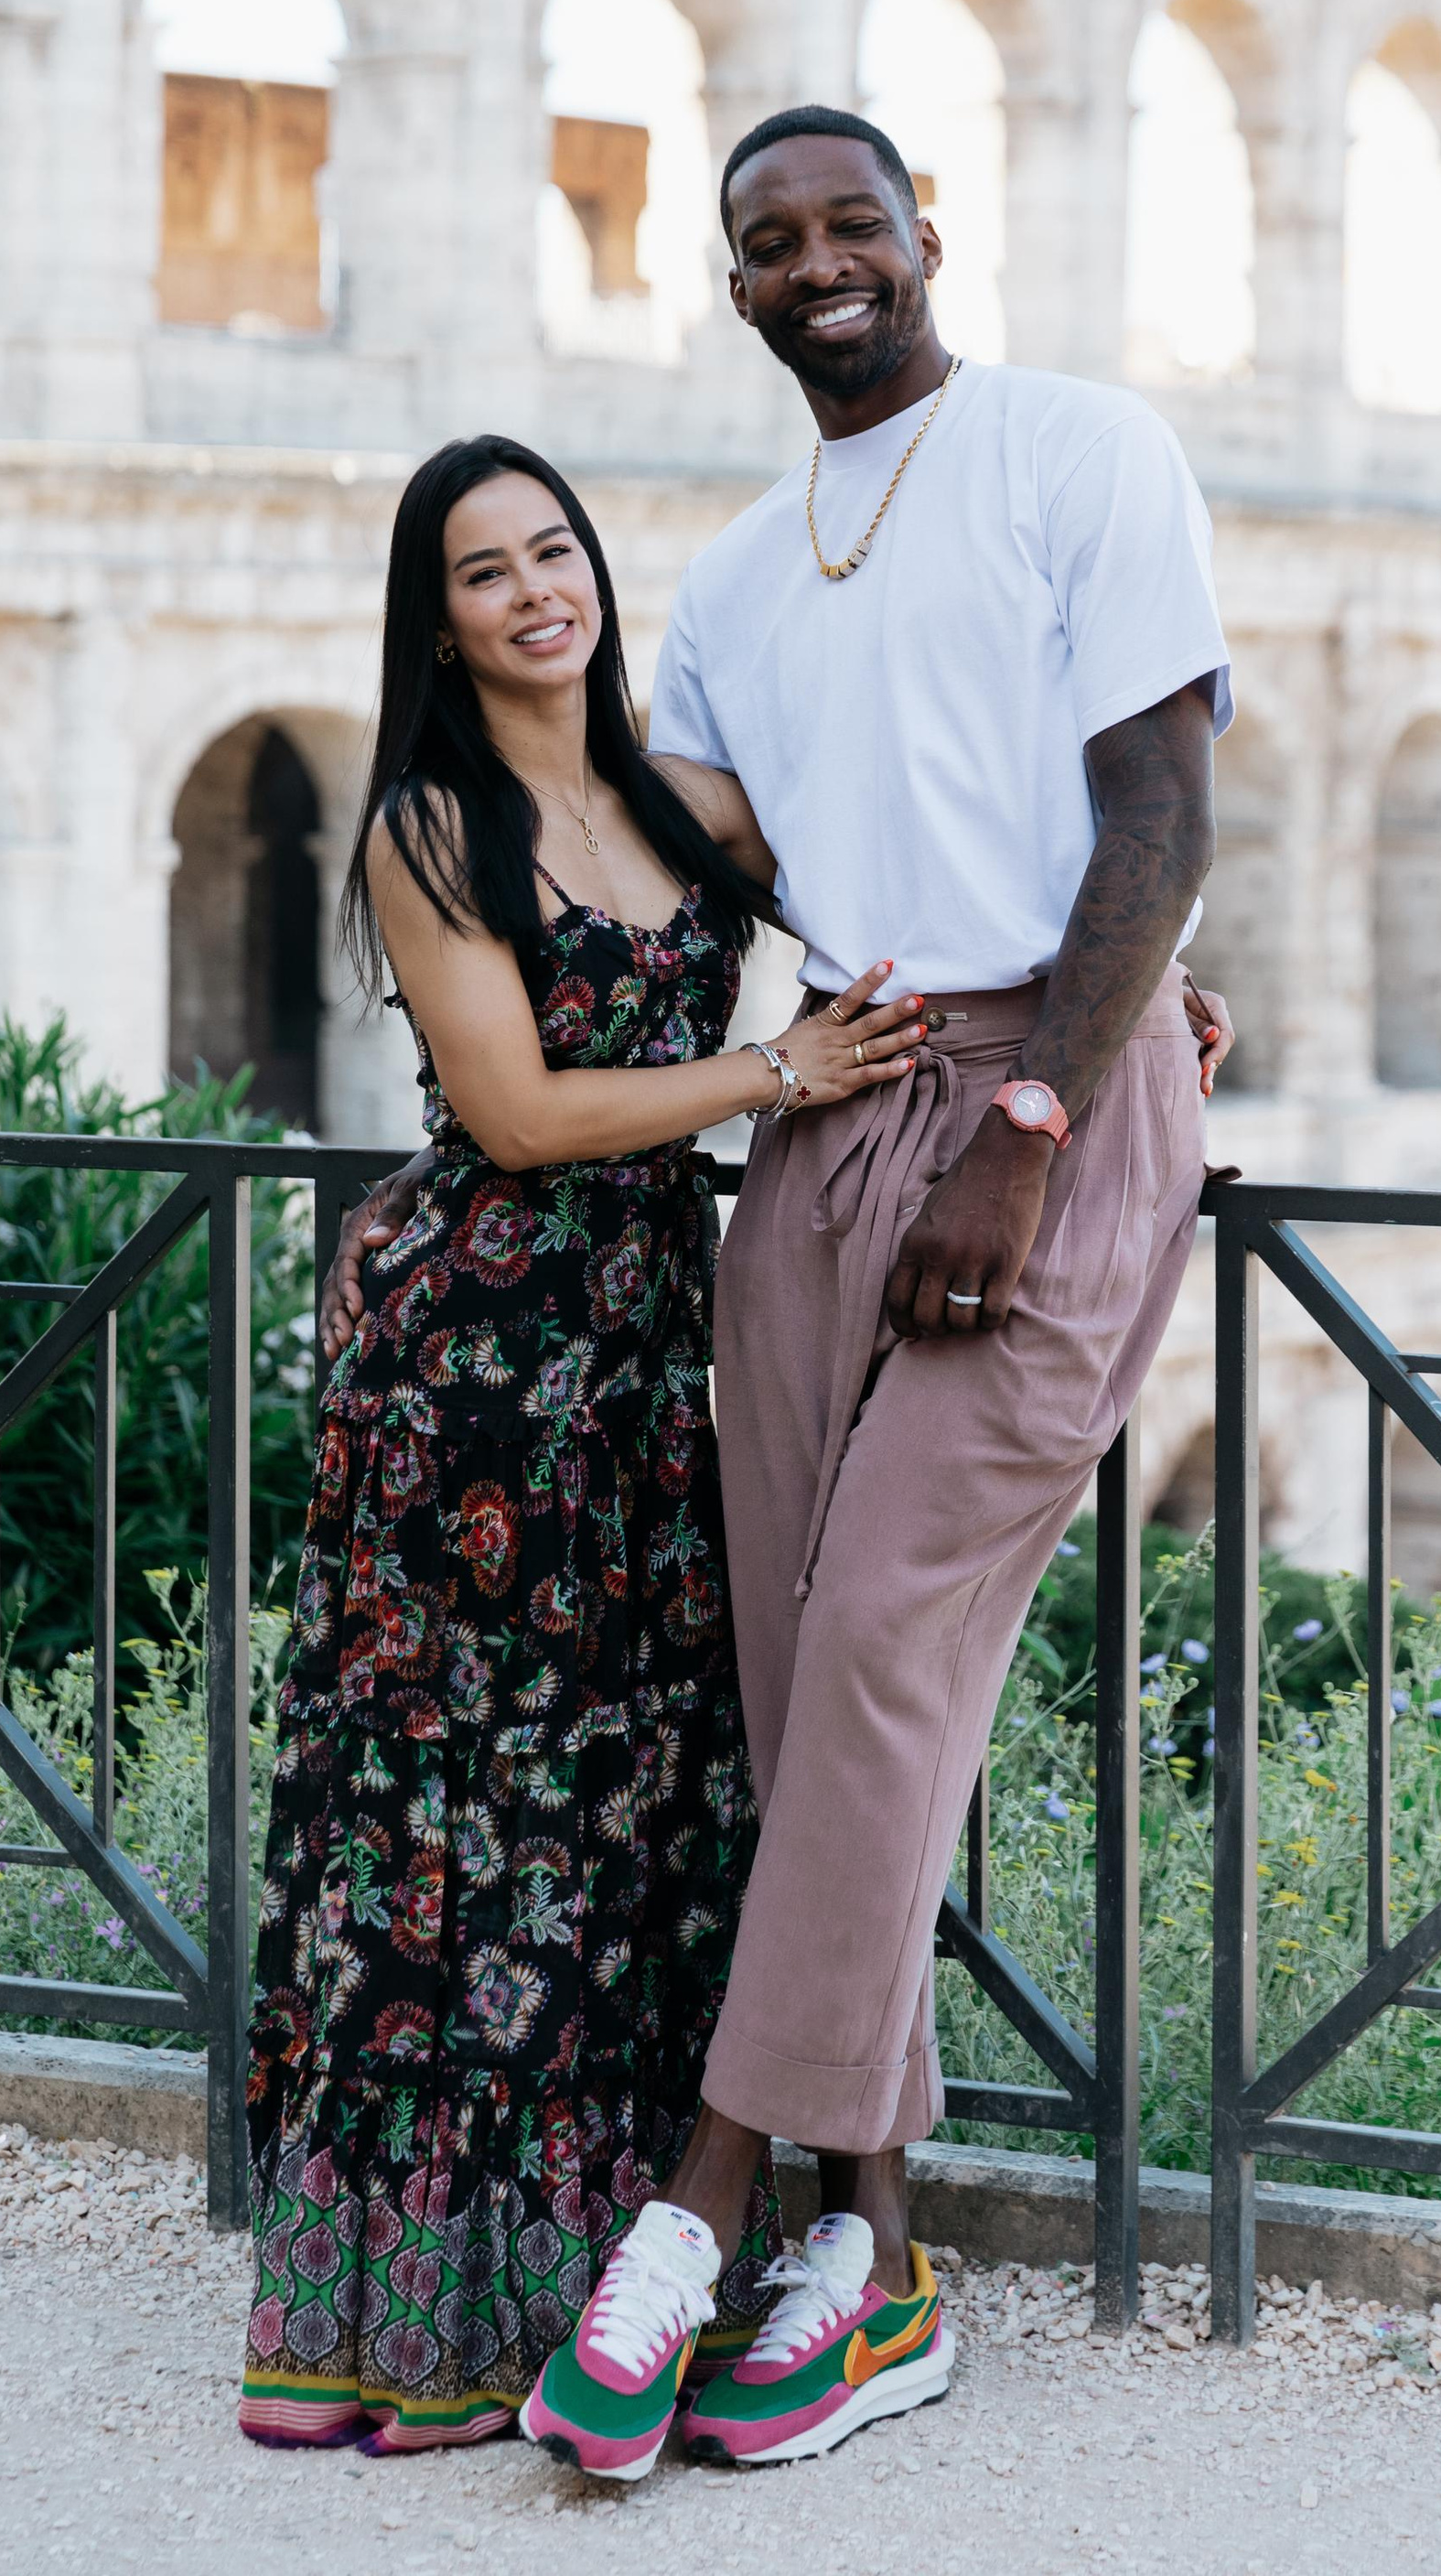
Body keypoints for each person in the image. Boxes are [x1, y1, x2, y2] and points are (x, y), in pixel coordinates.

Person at [326, 124, 1234, 2484]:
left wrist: (1066, 1098)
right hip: (831, 1115)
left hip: (1035, 1102)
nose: (813, 266)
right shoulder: (725, 575)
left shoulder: (1074, 450)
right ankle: (881, 2255)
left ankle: (690, 2223)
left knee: (871, 1654)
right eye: (766, 243)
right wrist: (463, 1062)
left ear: (930, 226)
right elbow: (640, 840)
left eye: (849, 224)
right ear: (727, 286)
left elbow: (1157, 811)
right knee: (787, 1673)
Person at [241, 430, 928, 2456]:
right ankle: (426, 2294)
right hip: (470, 1360)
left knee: (632, 1788)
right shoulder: (426, 824)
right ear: (433, 616)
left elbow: (908, 891)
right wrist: (769, 1068)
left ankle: (626, 2259)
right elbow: (519, 1113)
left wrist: (1126, 1006)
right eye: (483, 570)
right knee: (463, 1812)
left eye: (556, 551)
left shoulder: (676, 795)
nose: (537, 589)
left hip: (639, 1355)